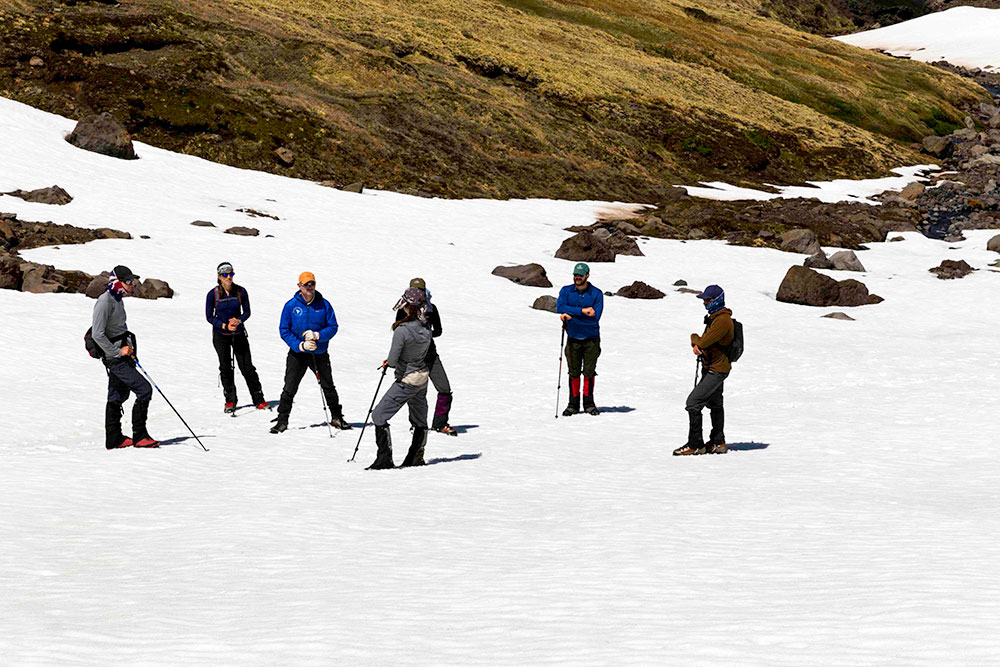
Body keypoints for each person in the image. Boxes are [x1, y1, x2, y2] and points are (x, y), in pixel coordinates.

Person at [271, 272, 351, 434]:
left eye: (312, 284)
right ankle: (282, 421)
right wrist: (300, 345)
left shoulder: (324, 305)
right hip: (298, 353)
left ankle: (336, 417)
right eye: (306, 284)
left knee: (328, 385)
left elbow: (333, 327)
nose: (309, 287)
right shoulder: (291, 306)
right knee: (290, 387)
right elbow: (284, 330)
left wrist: (317, 336)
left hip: (319, 352)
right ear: (299, 286)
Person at [91, 265, 158, 449]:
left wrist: (128, 348)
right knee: (144, 389)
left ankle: (114, 438)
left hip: (123, 353)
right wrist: (118, 352)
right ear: (117, 282)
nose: (131, 284)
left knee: (117, 394)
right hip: (115, 357)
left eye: (132, 281)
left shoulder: (118, 299)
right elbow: (97, 334)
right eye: (128, 281)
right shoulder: (104, 301)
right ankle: (140, 436)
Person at [368, 288, 433, 470]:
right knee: (420, 419)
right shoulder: (426, 327)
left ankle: (384, 459)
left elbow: (394, 360)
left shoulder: (402, 331)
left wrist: (389, 362)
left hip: (407, 379)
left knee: (378, 415)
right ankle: (416, 456)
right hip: (422, 377)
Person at [674, 285, 734, 456]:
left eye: (708, 300)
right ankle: (718, 442)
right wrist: (697, 342)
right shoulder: (715, 318)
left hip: (717, 369)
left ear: (717, 300)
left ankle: (695, 444)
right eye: (704, 300)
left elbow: (703, 342)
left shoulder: (722, 320)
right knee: (715, 404)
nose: (705, 303)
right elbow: (703, 342)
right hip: (713, 368)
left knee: (693, 403)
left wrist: (694, 338)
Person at [395, 277, 456, 435]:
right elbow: (399, 332)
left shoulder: (431, 309)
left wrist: (424, 336)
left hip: (430, 356)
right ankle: (417, 424)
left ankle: (439, 423)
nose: (417, 293)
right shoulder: (403, 309)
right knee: (414, 392)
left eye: (420, 290)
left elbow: (439, 331)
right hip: (413, 359)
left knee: (444, 389)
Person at [205, 261, 267, 413]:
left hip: (238, 334)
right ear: (219, 277)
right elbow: (209, 317)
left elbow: (247, 312)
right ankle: (230, 400)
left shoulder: (240, 292)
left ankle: (258, 399)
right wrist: (225, 325)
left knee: (247, 367)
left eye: (231, 274)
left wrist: (238, 320)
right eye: (225, 275)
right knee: (226, 367)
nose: (229, 277)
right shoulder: (212, 294)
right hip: (221, 335)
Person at [556, 262, 604, 416]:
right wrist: (583, 311)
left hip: (591, 339)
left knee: (589, 372)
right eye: (575, 275)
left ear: (587, 276)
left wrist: (571, 315)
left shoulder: (596, 293)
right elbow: (559, 307)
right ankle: (573, 404)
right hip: (573, 338)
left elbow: (595, 317)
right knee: (573, 372)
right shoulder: (566, 291)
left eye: (580, 276)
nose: (577, 278)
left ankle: (589, 404)